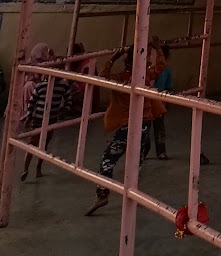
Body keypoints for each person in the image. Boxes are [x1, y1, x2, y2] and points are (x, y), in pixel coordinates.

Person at [85, 43, 167, 215]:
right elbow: (161, 66)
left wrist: (114, 58)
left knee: (108, 159)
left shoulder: (122, 77)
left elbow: (103, 76)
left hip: (128, 124)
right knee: (136, 161)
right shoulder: (144, 76)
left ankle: (102, 194)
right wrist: (158, 49)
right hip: (144, 124)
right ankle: (132, 194)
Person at [19, 42, 65, 181]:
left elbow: (68, 97)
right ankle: (28, 168)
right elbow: (32, 101)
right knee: (37, 144)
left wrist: (64, 109)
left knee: (39, 144)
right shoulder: (42, 85)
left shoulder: (57, 87)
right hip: (42, 119)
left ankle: (33, 168)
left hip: (46, 118)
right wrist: (29, 116)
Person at [150, 40, 172, 160]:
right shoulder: (161, 70)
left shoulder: (161, 70)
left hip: (153, 101)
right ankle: (160, 152)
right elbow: (169, 87)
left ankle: (143, 152)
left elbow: (168, 87)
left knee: (150, 128)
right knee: (157, 128)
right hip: (155, 101)